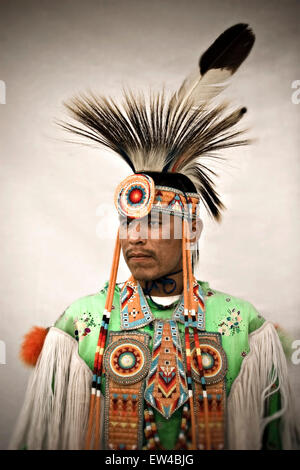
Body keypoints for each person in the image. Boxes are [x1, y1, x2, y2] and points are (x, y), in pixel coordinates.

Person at [9, 23, 299, 451]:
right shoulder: (81, 325)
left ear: (191, 228)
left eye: (154, 223)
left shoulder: (242, 328)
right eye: (128, 224)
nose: (135, 239)